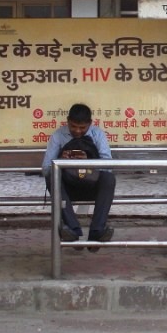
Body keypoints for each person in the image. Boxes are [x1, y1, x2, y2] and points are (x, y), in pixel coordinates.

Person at [41, 103, 116, 249]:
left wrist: (88, 162)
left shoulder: (98, 134)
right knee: (51, 178)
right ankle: (72, 230)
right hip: (68, 189)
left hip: (91, 184)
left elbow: (108, 166)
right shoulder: (58, 135)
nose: (77, 131)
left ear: (90, 123)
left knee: (108, 179)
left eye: (82, 128)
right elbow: (46, 169)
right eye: (73, 126)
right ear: (67, 121)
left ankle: (97, 232)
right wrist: (62, 161)